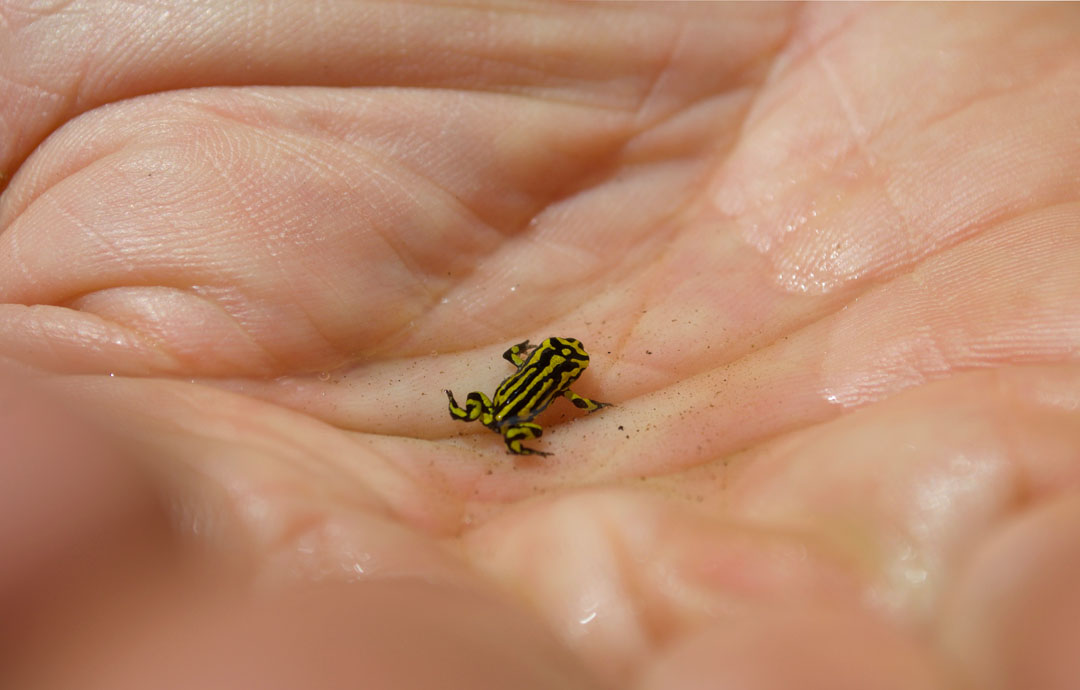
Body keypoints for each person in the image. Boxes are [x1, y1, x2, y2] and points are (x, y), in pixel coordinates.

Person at [1, 2, 1078, 688]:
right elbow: (546, 393)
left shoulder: (549, 380)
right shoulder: (546, 387)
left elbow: (551, 386)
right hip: (509, 422)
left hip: (510, 419)